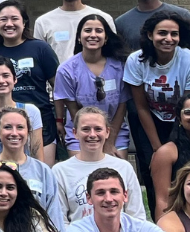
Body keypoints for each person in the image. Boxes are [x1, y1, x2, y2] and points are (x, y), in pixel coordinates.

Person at [125, 11, 190, 201]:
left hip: (182, 121)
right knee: (153, 168)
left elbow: (189, 108)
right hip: (149, 119)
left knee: (183, 168)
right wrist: (157, 148)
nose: (168, 39)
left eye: (174, 34)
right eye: (162, 33)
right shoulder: (136, 61)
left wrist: (175, 142)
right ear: (150, 35)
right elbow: (141, 107)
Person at [0, 0, 60, 163]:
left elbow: (58, 87)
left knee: (40, 174)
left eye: (14, 19)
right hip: (6, 127)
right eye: (3, 19)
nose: (9, 24)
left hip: (41, 122)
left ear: (24, 22)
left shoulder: (41, 48)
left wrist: (59, 120)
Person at [49, 107, 146, 227]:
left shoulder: (124, 168)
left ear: (107, 132)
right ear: (75, 133)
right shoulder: (60, 171)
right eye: (85, 129)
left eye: (98, 129)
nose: (92, 135)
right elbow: (59, 221)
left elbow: (136, 216)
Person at [53, 15, 131, 157]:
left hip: (114, 130)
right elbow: (74, 111)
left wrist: (109, 141)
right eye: (88, 30)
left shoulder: (119, 67)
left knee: (115, 168)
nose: (93, 35)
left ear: (106, 38)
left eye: (99, 31)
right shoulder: (66, 70)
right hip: (80, 130)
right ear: (79, 37)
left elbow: (121, 107)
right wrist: (92, 136)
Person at [0, 106, 56, 211]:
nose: (14, 133)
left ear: (28, 132)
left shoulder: (43, 171)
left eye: (20, 127)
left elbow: (54, 215)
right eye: (8, 127)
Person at [33, 0, 115, 65]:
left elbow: (113, 53)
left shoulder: (103, 18)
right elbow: (39, 60)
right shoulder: (43, 22)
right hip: (58, 80)